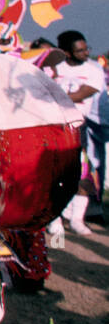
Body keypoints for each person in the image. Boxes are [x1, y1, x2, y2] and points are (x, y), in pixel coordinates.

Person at [54, 29, 105, 234]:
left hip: (77, 125)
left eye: (86, 49)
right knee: (56, 173)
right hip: (54, 125)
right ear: (67, 52)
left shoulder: (94, 70)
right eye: (80, 50)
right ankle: (56, 220)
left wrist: (58, 95)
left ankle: (77, 219)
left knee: (83, 171)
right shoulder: (54, 68)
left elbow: (84, 93)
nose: (86, 53)